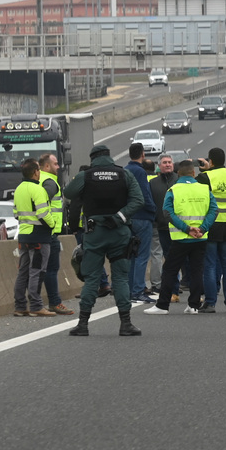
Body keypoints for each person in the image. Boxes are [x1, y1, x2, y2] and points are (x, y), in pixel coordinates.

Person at [63, 144, 145, 337]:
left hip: (95, 233)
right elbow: (138, 200)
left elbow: (68, 193)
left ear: (93, 158)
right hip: (119, 232)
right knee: (121, 278)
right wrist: (119, 217)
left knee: (92, 278)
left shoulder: (86, 176)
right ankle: (126, 324)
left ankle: (83, 324)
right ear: (109, 157)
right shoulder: (124, 175)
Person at [144, 159, 217, 316]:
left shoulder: (173, 190)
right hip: (200, 238)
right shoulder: (204, 189)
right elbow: (214, 211)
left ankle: (162, 305)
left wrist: (186, 228)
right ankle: (194, 305)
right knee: (197, 270)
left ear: (178, 173)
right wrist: (203, 228)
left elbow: (167, 213)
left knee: (170, 270)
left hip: (180, 238)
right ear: (193, 173)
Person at [197, 148, 226, 313]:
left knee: (209, 265)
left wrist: (206, 170)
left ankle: (210, 303)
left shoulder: (205, 177)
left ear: (211, 161)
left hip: (211, 225)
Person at [13, 159, 58, 317]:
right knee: (37, 271)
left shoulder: (18, 189)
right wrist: (52, 225)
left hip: (23, 236)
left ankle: (20, 306)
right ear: (35, 172)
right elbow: (43, 213)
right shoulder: (38, 189)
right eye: (38, 170)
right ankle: (36, 306)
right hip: (39, 236)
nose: (39, 173)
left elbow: (16, 214)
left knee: (23, 272)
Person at [37, 153, 74, 315]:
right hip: (49, 232)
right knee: (51, 269)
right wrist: (51, 225)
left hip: (38, 231)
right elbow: (42, 206)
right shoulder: (50, 183)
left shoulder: (37, 180)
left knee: (37, 269)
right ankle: (55, 302)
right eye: (56, 164)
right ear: (46, 166)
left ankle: (34, 303)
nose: (59, 167)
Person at [125, 142, 158, 304]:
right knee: (142, 255)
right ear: (143, 155)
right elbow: (145, 194)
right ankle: (138, 291)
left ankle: (131, 290)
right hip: (142, 217)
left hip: (128, 217)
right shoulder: (140, 171)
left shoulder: (125, 170)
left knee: (131, 254)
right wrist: (154, 211)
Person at [148, 154, 180, 303]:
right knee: (168, 257)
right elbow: (149, 203)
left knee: (180, 259)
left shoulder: (179, 181)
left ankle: (180, 286)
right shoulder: (153, 183)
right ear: (159, 166)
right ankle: (173, 289)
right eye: (165, 163)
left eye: (170, 162)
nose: (168, 165)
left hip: (180, 226)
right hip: (162, 227)